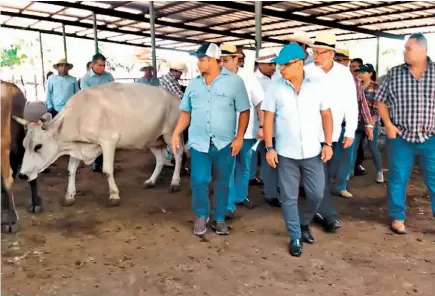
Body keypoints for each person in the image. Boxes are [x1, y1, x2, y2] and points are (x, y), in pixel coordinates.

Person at [171, 42, 250, 236]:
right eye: (198, 59)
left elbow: (244, 111)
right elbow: (185, 112)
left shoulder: (234, 82)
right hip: (199, 143)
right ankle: (201, 215)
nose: (198, 63)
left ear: (214, 59)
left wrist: (240, 137)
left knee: (223, 182)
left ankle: (219, 218)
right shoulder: (194, 84)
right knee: (199, 180)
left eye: (202, 59)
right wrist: (176, 133)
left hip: (225, 143)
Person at [262, 43, 333, 257]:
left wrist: (328, 143)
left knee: (316, 193)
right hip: (285, 153)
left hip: (313, 151)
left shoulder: (317, 85)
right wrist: (269, 147)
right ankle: (295, 236)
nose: (281, 69)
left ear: (300, 63)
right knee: (289, 197)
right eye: (279, 65)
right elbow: (268, 117)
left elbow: (327, 114)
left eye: (285, 65)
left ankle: (303, 223)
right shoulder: (275, 86)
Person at [375, 33, 435, 235]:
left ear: (423, 50)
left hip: (431, 139)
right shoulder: (394, 74)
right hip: (401, 138)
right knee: (398, 179)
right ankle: (397, 217)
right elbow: (380, 101)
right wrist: (388, 125)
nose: (404, 51)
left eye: (408, 48)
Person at [306, 32, 358, 233]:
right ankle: (328, 215)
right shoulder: (307, 71)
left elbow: (351, 103)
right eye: (314, 52)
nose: (315, 56)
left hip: (331, 134)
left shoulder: (343, 74)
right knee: (319, 175)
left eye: (319, 52)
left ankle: (316, 210)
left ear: (331, 53)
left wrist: (351, 129)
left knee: (325, 174)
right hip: (309, 132)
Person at [218, 43, 264, 216]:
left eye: (227, 60)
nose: (223, 63)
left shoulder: (249, 78)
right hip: (225, 132)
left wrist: (261, 125)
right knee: (227, 167)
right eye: (221, 60)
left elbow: (260, 102)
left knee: (244, 164)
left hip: (247, 131)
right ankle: (229, 205)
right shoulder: (217, 78)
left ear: (237, 59)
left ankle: (240, 196)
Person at [331, 49, 373, 198]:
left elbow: (362, 103)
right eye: (337, 59)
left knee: (347, 157)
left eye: (342, 60)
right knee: (328, 156)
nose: (340, 62)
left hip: (348, 125)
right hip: (327, 124)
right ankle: (324, 185)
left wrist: (369, 124)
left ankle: (340, 185)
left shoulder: (355, 81)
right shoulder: (324, 77)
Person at [255, 47, 281, 207]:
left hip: (279, 126)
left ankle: (273, 188)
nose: (274, 67)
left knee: (276, 160)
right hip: (262, 127)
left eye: (274, 64)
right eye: (270, 64)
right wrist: (262, 126)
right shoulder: (255, 81)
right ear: (260, 64)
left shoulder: (278, 78)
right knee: (269, 160)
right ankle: (271, 193)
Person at [80, 53, 114, 172]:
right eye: (100, 65)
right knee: (96, 139)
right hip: (93, 113)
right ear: (93, 65)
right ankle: (96, 161)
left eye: (104, 65)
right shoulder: (85, 79)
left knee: (108, 138)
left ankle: (105, 162)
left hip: (108, 112)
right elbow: (88, 96)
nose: (103, 68)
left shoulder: (109, 76)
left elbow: (114, 92)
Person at [356, 63, 384, 183]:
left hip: (371, 122)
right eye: (360, 72)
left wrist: (371, 125)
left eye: (364, 72)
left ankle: (379, 171)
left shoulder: (376, 87)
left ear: (370, 73)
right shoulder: (357, 86)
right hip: (357, 122)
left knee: (373, 148)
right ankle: (349, 172)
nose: (360, 74)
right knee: (354, 148)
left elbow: (377, 109)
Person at [160, 60, 188, 169]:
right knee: (175, 131)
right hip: (168, 110)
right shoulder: (171, 81)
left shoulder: (165, 78)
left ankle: (168, 155)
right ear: (174, 71)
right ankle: (170, 156)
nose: (181, 75)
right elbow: (180, 96)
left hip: (164, 108)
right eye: (180, 72)